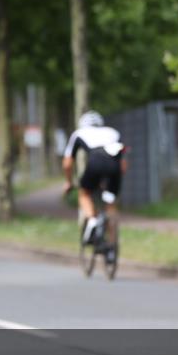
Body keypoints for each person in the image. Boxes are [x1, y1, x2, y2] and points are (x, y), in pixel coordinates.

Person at [62, 110, 127, 262]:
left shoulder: (79, 133)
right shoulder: (113, 132)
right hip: (114, 167)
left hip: (95, 163)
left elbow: (67, 164)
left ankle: (92, 220)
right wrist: (113, 181)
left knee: (84, 193)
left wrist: (68, 182)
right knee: (110, 204)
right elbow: (123, 164)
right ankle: (111, 249)